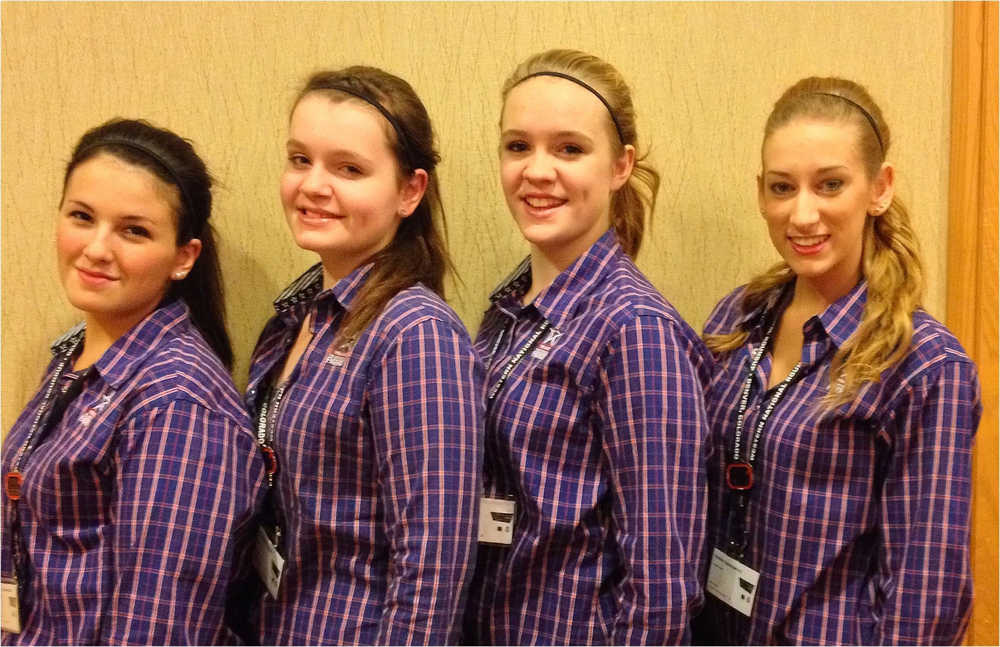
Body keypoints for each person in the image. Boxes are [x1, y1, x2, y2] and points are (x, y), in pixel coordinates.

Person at [695, 77, 981, 645]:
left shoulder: (926, 364)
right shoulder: (738, 315)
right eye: (782, 187)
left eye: (830, 185)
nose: (802, 214)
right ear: (760, 192)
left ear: (879, 188)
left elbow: (925, 595)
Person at [463, 49, 710, 645]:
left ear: (620, 166)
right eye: (518, 146)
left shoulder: (635, 330)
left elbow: (664, 586)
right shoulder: (505, 314)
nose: (537, 171)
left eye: (569, 149)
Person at [0, 118, 264, 645]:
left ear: (184, 257)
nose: (97, 248)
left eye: (133, 230)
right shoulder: (77, 352)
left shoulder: (177, 401)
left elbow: (156, 629)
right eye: (82, 216)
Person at [243, 66, 482, 645]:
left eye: (348, 168)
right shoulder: (297, 317)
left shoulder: (416, 336)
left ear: (410, 191)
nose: (313, 185)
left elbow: (432, 569)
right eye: (300, 160)